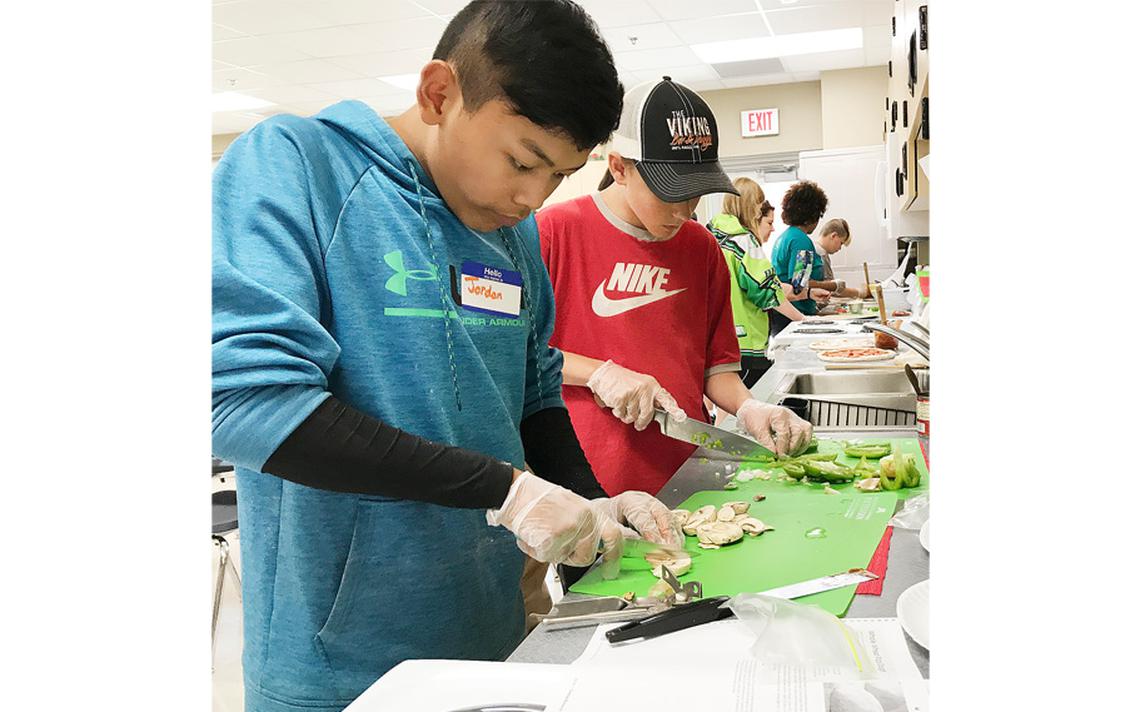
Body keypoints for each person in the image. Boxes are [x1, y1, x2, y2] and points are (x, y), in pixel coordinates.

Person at [211, 3, 679, 710]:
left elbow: (533, 392)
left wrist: (591, 498)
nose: (532, 198)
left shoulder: (511, 232)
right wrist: (504, 489)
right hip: (339, 662)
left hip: (488, 631)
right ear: (439, 95)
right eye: (522, 162)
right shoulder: (297, 166)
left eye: (558, 176)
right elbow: (246, 405)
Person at [536, 77, 814, 500]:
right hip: (592, 484)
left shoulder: (701, 247)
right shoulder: (554, 232)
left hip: (691, 473)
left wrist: (748, 407)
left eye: (695, 193)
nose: (685, 210)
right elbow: (520, 356)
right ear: (618, 167)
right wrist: (599, 374)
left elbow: (715, 368)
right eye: (671, 193)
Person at [708, 180, 813, 388]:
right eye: (758, 203)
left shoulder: (713, 236)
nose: (759, 210)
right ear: (749, 205)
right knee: (744, 407)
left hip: (719, 341)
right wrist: (803, 320)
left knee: (728, 411)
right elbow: (766, 290)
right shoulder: (743, 241)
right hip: (746, 343)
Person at [770, 180, 834, 330]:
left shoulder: (784, 237)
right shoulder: (801, 241)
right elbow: (799, 284)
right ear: (812, 215)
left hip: (780, 314)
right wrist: (831, 286)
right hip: (795, 315)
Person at [812, 217, 872, 299]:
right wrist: (858, 292)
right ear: (834, 236)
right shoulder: (820, 253)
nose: (840, 248)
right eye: (841, 243)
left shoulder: (817, 249)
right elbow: (831, 288)